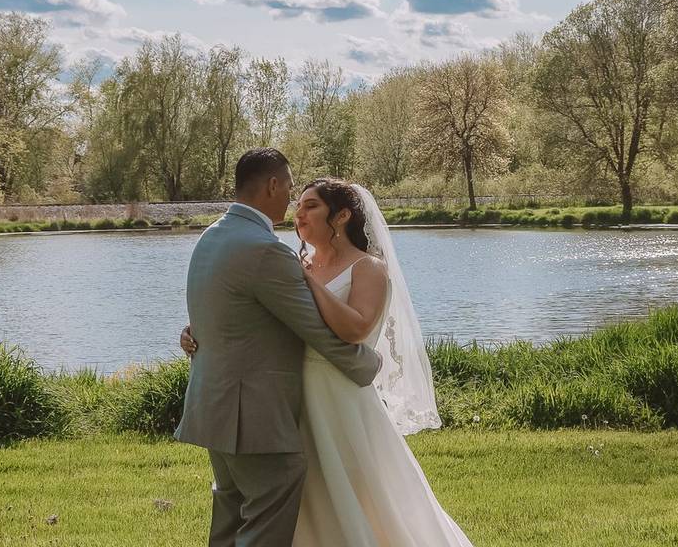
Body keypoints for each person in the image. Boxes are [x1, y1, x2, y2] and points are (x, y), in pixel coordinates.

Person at [181, 174, 474, 546]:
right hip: (291, 400)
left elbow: (355, 329)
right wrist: (198, 330)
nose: (299, 213)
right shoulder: (294, 263)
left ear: (342, 217)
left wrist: (309, 282)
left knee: (360, 497)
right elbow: (260, 317)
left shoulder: (368, 267)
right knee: (301, 502)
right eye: (298, 204)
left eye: (311, 205)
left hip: (340, 398)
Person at [174, 149, 382, 547]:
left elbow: (223, 311)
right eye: (289, 187)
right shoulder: (265, 249)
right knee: (265, 523)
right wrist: (368, 366)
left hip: (213, 404)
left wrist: (191, 336)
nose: (290, 198)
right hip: (252, 416)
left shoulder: (211, 235)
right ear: (272, 185)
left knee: (229, 521)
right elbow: (316, 330)